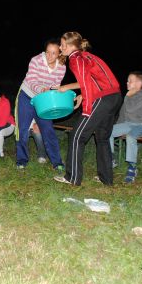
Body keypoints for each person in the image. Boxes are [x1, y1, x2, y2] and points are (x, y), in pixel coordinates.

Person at [54, 31, 121, 186]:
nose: (60, 47)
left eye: (63, 45)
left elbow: (85, 83)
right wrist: (79, 94)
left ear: (71, 46)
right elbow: (92, 81)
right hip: (115, 97)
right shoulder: (86, 56)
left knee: (77, 136)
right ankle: (106, 179)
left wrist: (86, 107)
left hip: (102, 98)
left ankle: (72, 177)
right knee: (102, 138)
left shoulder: (75, 58)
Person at [15, 39, 67, 171]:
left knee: (48, 129)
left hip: (44, 100)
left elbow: (56, 85)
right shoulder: (36, 60)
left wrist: (52, 94)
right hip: (27, 95)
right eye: (48, 52)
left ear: (59, 54)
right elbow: (31, 80)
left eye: (54, 53)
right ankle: (22, 160)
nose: (49, 56)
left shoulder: (61, 67)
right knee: (23, 129)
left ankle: (57, 162)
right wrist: (41, 90)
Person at [109, 71, 142, 183]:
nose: (127, 82)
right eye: (127, 80)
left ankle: (132, 167)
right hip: (128, 125)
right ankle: (111, 158)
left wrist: (127, 97)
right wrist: (117, 128)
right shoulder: (128, 97)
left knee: (131, 136)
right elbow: (123, 115)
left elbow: (131, 110)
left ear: (138, 84)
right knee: (107, 131)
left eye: (130, 81)